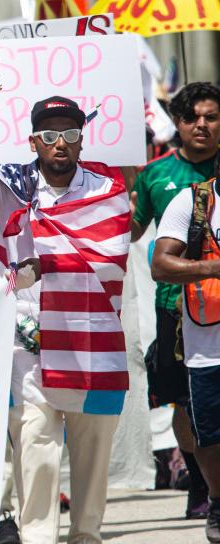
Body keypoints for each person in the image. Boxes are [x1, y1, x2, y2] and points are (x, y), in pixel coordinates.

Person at [0, 96, 129, 544]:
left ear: (81, 141)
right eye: (51, 135)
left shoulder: (106, 190)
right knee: (35, 458)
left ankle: (87, 537)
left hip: (91, 345)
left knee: (93, 463)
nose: (61, 144)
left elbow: (113, 254)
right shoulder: (11, 186)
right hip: (30, 351)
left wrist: (53, 262)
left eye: (71, 135)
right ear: (34, 141)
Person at [131, 81, 220, 519]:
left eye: (211, 117)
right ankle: (200, 479)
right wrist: (120, 193)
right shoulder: (154, 175)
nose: (201, 125)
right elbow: (127, 233)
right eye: (191, 118)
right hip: (176, 306)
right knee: (186, 401)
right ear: (178, 125)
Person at [151, 126, 220, 543]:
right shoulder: (193, 203)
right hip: (206, 346)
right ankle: (218, 501)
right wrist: (213, 267)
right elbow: (161, 265)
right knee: (211, 436)